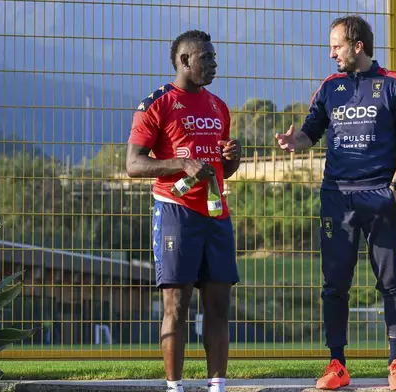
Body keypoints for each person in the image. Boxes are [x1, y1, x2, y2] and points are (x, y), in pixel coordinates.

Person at [275, 15, 396, 391]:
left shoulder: (394, 85)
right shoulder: (330, 87)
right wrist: (296, 142)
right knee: (334, 284)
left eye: (336, 46)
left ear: (358, 46)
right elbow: (312, 130)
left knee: (391, 281)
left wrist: (395, 186)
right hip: (337, 197)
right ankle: (337, 364)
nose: (331, 53)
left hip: (380, 194)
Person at [126, 30, 241, 392]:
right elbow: (133, 164)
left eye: (214, 57)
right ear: (185, 61)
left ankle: (217, 385)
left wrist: (232, 160)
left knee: (219, 304)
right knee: (176, 305)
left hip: (216, 212)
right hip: (176, 211)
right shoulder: (156, 105)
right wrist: (181, 163)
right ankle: (174, 387)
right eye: (206, 57)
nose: (214, 64)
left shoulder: (218, 106)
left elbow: (223, 170)